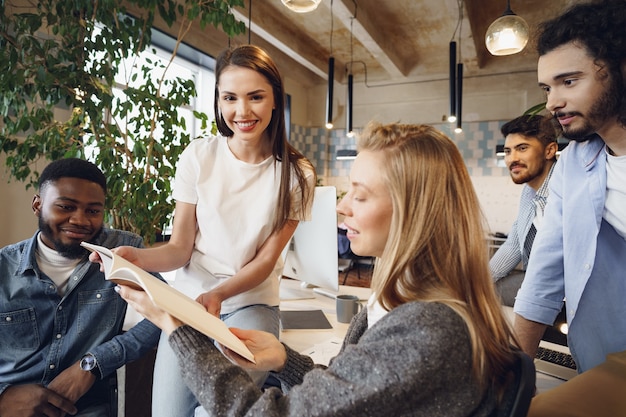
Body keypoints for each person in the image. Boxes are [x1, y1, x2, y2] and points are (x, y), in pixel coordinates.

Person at [116, 121, 523, 416]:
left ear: (413, 210)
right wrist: (285, 361)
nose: (342, 206)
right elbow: (354, 393)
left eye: (360, 196)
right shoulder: (403, 302)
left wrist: (177, 328)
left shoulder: (427, 330)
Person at [103, 44, 316, 417]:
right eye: (229, 97)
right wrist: (138, 258)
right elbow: (180, 248)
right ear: (218, 100)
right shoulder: (198, 156)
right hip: (187, 304)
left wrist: (218, 293)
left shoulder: (298, 174)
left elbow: (267, 260)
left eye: (255, 97)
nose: (242, 111)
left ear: (275, 101)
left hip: (251, 302)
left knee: (222, 410)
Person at [513, 0, 626, 374]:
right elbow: (545, 272)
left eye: (569, 81)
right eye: (547, 87)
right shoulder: (574, 164)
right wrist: (515, 375)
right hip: (598, 369)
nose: (553, 102)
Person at [0, 158, 161, 417]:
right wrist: (4, 396)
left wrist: (94, 363)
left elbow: (164, 314)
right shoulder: (3, 268)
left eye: (93, 211)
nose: (79, 220)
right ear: (37, 204)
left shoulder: (122, 252)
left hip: (87, 408)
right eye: (66, 207)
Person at [489, 114, 558, 306]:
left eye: (522, 148)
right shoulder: (529, 193)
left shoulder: (567, 191)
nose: (513, 159)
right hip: (539, 286)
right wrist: (478, 283)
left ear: (550, 150)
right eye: (508, 151)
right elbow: (514, 245)